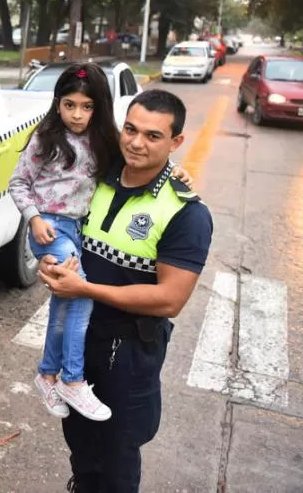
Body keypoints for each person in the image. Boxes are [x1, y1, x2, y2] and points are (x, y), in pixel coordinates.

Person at [38, 89, 214, 493]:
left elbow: (171, 299)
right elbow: (62, 229)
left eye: (153, 136)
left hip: (129, 351)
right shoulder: (95, 177)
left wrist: (85, 288)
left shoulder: (187, 212)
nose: (137, 142)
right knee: (80, 444)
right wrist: (50, 259)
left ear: (176, 143)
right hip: (79, 342)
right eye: (131, 130)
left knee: (117, 456)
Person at [8, 63, 121, 422]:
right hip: (50, 230)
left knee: (64, 304)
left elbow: (133, 168)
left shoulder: (103, 141)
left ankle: (46, 375)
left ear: (99, 108)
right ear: (58, 104)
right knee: (82, 295)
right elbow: (17, 184)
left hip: (76, 230)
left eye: (86, 107)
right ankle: (72, 379)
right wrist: (35, 219)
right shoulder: (45, 138)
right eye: (69, 104)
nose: (77, 114)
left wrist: (173, 172)